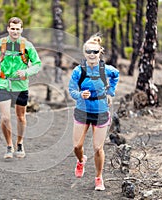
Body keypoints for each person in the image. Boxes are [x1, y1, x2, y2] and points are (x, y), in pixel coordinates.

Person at [68, 34, 119, 191]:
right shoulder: (78, 70)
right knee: (77, 146)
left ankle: (98, 178)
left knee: (98, 148)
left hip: (100, 111)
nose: (91, 54)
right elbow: (71, 89)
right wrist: (79, 95)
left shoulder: (106, 69)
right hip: (82, 110)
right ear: (84, 53)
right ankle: (81, 160)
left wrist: (110, 92)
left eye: (95, 51)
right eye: (88, 51)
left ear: (100, 52)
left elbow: (116, 75)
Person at [0, 17, 41, 159]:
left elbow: (37, 64)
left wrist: (26, 72)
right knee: (5, 118)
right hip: (4, 84)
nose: (15, 31)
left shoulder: (27, 45)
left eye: (17, 29)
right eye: (12, 28)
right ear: (8, 29)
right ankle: (9, 146)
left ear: (21, 30)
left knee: (21, 117)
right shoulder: (1, 43)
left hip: (21, 85)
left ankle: (20, 143)